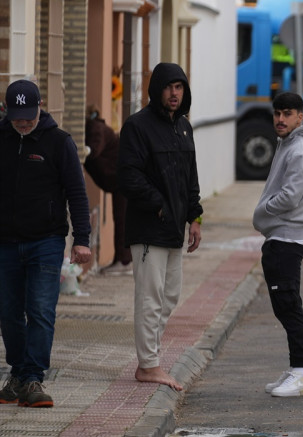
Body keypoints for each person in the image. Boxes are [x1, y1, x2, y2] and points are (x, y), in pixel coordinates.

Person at [0, 80, 92, 408]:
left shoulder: (59, 142)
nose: (23, 122)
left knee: (40, 311)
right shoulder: (2, 138)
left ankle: (32, 377)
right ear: (6, 111)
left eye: (28, 115)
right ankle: (19, 373)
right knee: (8, 313)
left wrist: (82, 239)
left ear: (40, 107)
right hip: (5, 242)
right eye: (17, 117)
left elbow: (77, 194)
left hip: (46, 241)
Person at [118, 63, 203, 392]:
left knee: (169, 296)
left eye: (180, 87)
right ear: (157, 90)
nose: (174, 93)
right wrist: (160, 205)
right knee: (150, 299)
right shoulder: (137, 126)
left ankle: (149, 359)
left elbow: (190, 179)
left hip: (173, 231)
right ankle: (148, 365)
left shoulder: (184, 127)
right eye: (169, 87)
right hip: (148, 229)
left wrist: (195, 217)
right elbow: (128, 177)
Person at [252, 92, 303, 397]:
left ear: (299, 116)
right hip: (279, 237)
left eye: (287, 114)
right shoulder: (288, 144)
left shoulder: (301, 151)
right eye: (277, 113)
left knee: (290, 307)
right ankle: (295, 369)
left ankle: (302, 373)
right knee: (284, 306)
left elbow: (291, 196)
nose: (280, 119)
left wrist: (262, 210)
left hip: (287, 237)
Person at [84, 105, 133, 275]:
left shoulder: (95, 128)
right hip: (120, 178)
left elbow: (94, 149)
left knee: (122, 219)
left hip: (124, 178)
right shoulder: (95, 127)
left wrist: (81, 151)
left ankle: (124, 261)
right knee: (121, 218)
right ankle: (122, 260)